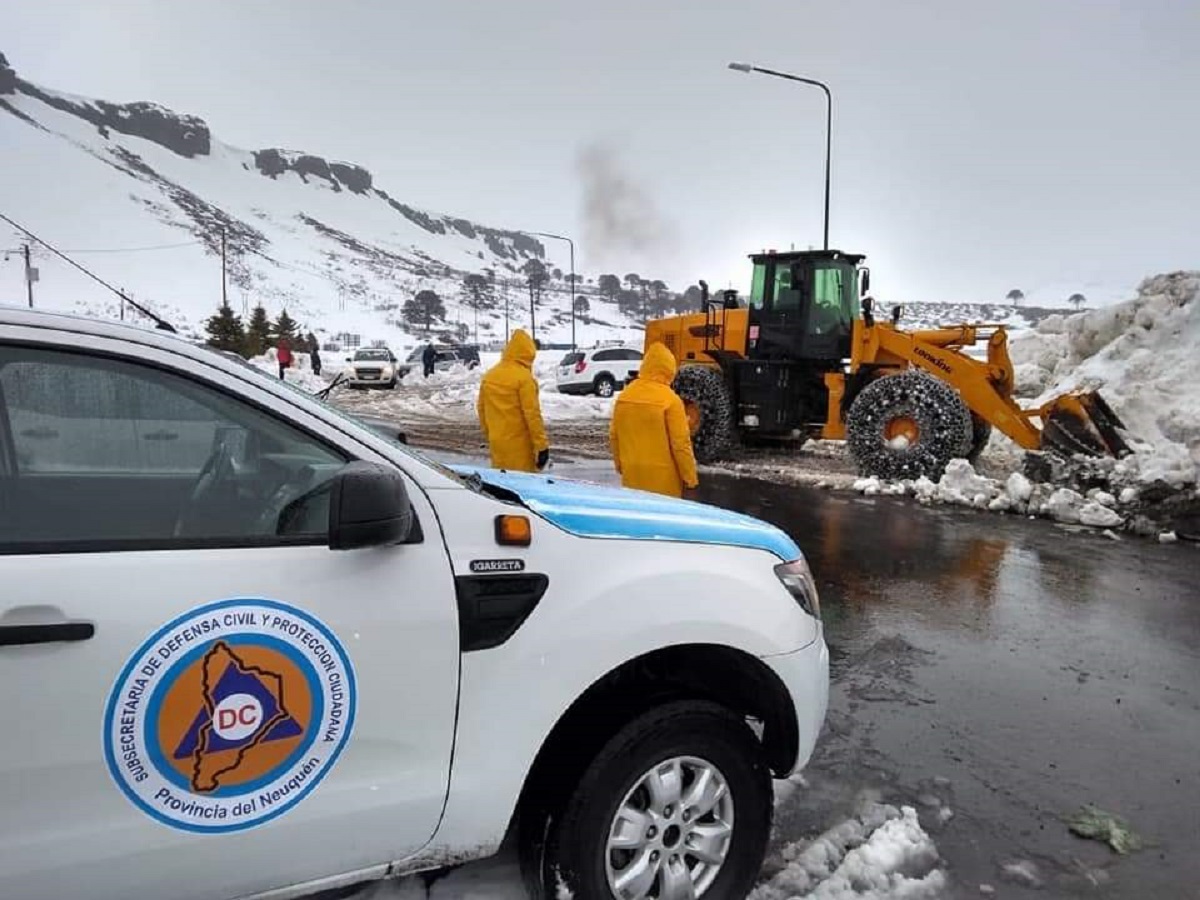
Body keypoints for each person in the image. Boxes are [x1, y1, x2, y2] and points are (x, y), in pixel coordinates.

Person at [609, 341, 699, 498]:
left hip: (632, 473)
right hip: (663, 480)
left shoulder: (625, 396)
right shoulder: (670, 400)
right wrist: (690, 478)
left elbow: (614, 436)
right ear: (669, 369)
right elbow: (680, 444)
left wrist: (620, 465)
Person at [477, 329, 549, 472]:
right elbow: (532, 415)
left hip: (497, 443)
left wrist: (490, 434)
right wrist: (541, 446)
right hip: (520, 447)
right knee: (522, 487)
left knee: (500, 485)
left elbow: (481, 409)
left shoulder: (489, 376)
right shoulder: (524, 379)